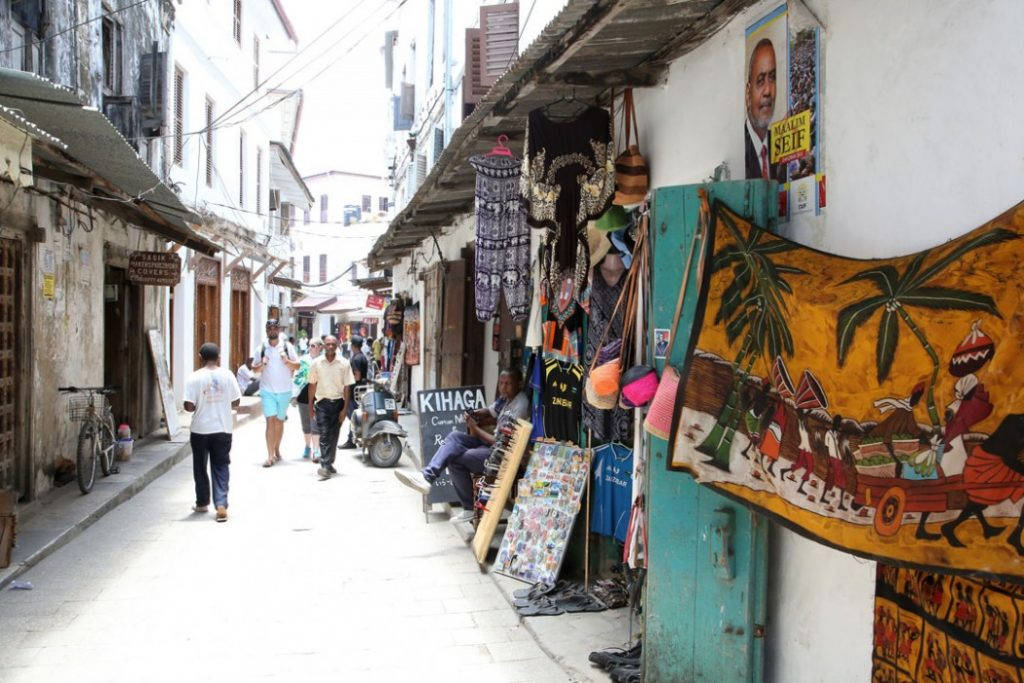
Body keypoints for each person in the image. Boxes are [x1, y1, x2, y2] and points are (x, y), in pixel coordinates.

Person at [395, 369, 529, 522]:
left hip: (502, 455)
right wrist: (473, 413)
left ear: (518, 384)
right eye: (501, 383)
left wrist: (475, 428)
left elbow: (499, 443)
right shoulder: (505, 399)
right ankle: (427, 476)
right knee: (454, 437)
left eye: (508, 384)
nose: (503, 387)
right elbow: (490, 411)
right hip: (492, 446)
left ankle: (469, 508)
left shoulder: (521, 405)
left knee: (457, 458)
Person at [183, 343, 241, 523]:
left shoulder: (194, 377)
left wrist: (200, 401)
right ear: (219, 357)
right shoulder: (228, 375)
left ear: (200, 357)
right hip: (223, 428)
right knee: (221, 465)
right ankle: (221, 503)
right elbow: (236, 402)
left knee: (200, 466)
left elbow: (189, 406)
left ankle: (202, 502)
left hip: (200, 429)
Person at [251, 319, 300, 468]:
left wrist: (286, 361)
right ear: (266, 330)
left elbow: (297, 365)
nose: (272, 330)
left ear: (278, 329)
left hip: (284, 390)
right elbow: (254, 369)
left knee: (279, 422)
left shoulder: (287, 346)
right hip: (267, 391)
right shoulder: (262, 348)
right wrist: (263, 363)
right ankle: (270, 455)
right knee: (270, 421)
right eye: (269, 328)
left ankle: (276, 449)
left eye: (274, 328)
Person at [307, 335, 355, 480]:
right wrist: (310, 406)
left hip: (338, 403)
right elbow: (312, 385)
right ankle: (325, 465)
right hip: (322, 404)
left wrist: (345, 409)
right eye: (327, 344)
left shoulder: (344, 363)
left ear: (337, 345)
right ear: (323, 346)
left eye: (333, 344)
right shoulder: (316, 363)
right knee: (324, 434)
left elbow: (347, 387)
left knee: (334, 435)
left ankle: (329, 462)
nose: (330, 347)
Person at [744, 38, 784, 182]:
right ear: (748, 93)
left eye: (772, 78)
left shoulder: (779, 147)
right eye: (760, 81)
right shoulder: (740, 148)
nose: (768, 90)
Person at [293, 338, 323, 461]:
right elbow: (297, 378)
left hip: (318, 397)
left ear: (320, 347)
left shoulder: (323, 360)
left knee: (315, 425)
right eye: (309, 345)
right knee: (306, 425)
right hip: (303, 397)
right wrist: (294, 396)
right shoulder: (303, 360)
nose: (311, 347)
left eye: (313, 345)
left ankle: (316, 451)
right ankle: (307, 446)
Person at [340, 334, 369, 449]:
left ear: (352, 345)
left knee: (353, 415)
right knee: (353, 415)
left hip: (355, 391)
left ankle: (351, 440)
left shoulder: (356, 358)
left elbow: (357, 376)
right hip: (359, 390)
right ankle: (354, 437)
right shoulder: (361, 356)